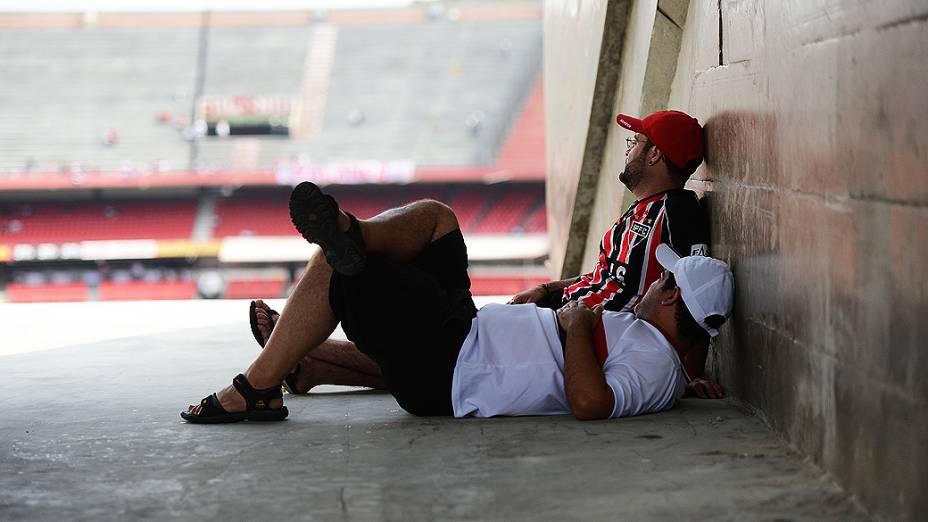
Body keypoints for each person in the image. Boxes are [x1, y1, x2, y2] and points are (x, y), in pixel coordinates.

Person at [250, 109, 722, 398]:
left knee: (450, 353)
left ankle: (297, 352)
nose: (631, 150)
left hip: (579, 340)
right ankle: (313, 348)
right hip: (556, 317)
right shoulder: (634, 214)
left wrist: (682, 374)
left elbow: (690, 301)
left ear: (657, 155)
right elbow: (608, 276)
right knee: (444, 317)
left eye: (637, 142)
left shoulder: (678, 212)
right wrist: (548, 288)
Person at [182, 182, 734, 423]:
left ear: (673, 300)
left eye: (665, 283)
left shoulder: (654, 364)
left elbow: (592, 404)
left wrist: (573, 325)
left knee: (336, 272)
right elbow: (670, 361)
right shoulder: (662, 357)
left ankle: (256, 388)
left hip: (450, 365)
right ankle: (355, 235)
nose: (656, 285)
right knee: (437, 219)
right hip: (468, 333)